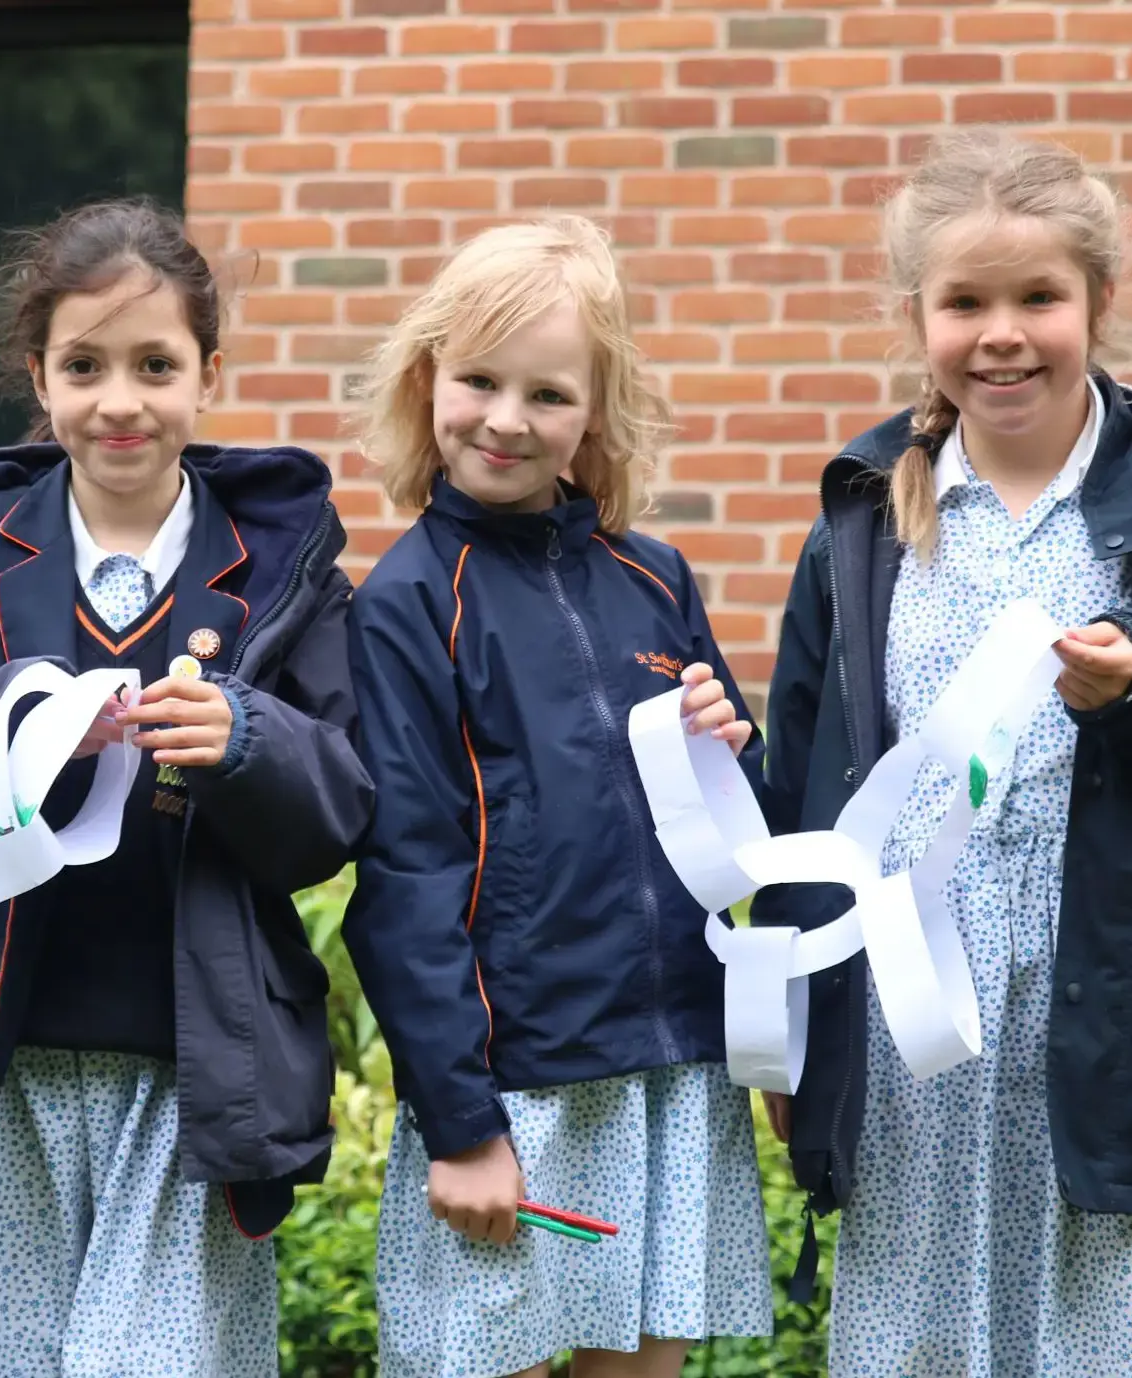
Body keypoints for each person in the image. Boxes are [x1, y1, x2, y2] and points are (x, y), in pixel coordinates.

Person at [752, 128, 1132, 1375]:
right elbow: (808, 789)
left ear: (1096, 303)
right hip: (916, 1055)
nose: (1002, 335)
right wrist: (795, 1030)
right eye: (964, 301)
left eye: (1038, 297)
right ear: (915, 314)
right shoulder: (861, 522)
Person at [0, 197, 372, 1377]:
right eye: (84, 365)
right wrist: (17, 717)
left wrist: (245, 738)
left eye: (155, 364)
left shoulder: (282, 571)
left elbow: (342, 804)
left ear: (208, 376)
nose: (120, 400)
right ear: (39, 377)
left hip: (195, 1076)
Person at [341, 216, 775, 1378]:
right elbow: (405, 885)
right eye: (478, 380)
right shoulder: (403, 604)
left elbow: (745, 837)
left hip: (671, 1073)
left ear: (596, 409)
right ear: (427, 377)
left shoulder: (656, 578)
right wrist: (463, 1126)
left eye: (546, 393)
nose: (504, 419)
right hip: (519, 1087)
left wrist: (737, 747)